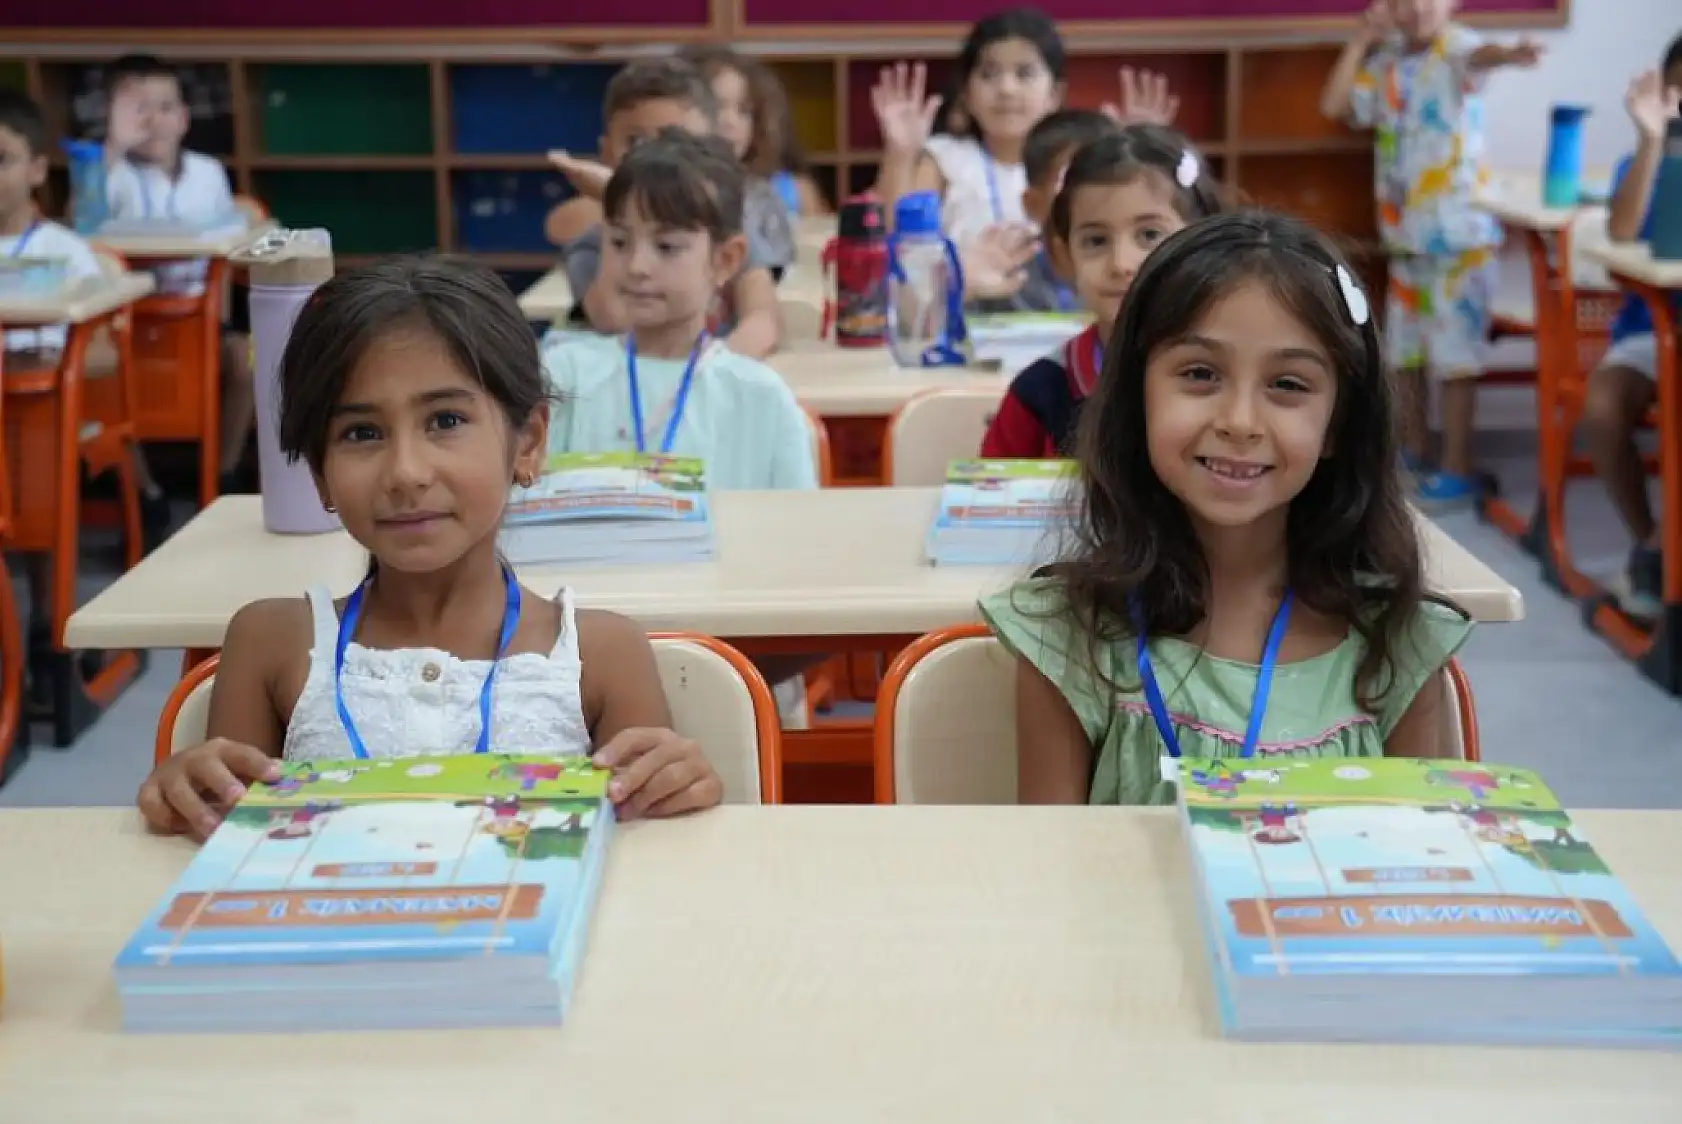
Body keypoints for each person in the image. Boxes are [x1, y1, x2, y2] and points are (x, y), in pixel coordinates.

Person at [135, 257, 724, 840]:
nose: (406, 472)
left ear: (529, 442)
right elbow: (227, 845)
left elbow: (645, 859)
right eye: (361, 434)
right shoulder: (271, 643)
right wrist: (189, 789)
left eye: (445, 420)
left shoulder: (601, 653)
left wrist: (678, 784)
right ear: (320, 475)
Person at [981, 212, 1473, 805]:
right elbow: (1053, 872)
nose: (1239, 422)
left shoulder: (1395, 638)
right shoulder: (1068, 636)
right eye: (1200, 373)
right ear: (1137, 395)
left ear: (1339, 422)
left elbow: (1429, 866)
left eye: (1288, 384)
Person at [1320, 0, 1543, 507]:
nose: (1417, 8)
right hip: (1407, 240)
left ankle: (1458, 466)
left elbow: (1484, 57)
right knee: (1406, 354)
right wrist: (1361, 40)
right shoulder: (1388, 63)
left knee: (1457, 358)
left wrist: (1513, 53)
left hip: (1458, 238)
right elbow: (1335, 105)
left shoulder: (1457, 48)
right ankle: (1413, 449)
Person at [544, 129, 816, 492]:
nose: (637, 265)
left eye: (667, 247)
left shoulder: (760, 397)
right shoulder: (565, 376)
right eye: (620, 242)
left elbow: (798, 535)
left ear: (725, 260)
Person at [980, 126, 1225, 457]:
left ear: (1202, 243)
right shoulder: (1040, 390)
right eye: (1096, 241)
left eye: (1150, 235)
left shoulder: (1237, 377)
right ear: (1064, 256)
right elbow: (992, 498)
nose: (1122, 263)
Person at [544, 57, 784, 358]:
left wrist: (709, 377)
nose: (656, 161)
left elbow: (763, 322)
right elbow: (615, 320)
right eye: (637, 142)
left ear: (711, 150)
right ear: (606, 153)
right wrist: (615, 202)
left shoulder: (726, 232)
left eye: (677, 141)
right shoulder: (598, 241)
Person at [103, 55, 257, 511]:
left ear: (184, 117)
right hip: (130, 325)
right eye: (137, 109)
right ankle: (146, 494)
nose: (153, 120)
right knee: (102, 385)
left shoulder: (208, 172)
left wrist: (223, 323)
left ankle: (223, 477)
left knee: (246, 360)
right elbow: (88, 224)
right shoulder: (108, 174)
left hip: (202, 318)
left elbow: (229, 248)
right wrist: (110, 152)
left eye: (165, 107)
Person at [1583, 38, 1682, 621]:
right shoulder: (1644, 160)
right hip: (1652, 334)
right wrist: (1651, 139)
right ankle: (1651, 542)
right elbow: (1622, 232)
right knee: (1602, 409)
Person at [871, 7, 1066, 246]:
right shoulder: (946, 159)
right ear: (966, 93)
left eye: (1024, 74)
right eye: (989, 74)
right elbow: (890, 240)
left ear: (1055, 95)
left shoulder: (1071, 160)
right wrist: (900, 155)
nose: (1006, 89)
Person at [677, 44, 799, 274]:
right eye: (716, 105)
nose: (730, 121)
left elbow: (783, 272)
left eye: (743, 111)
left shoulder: (762, 197)